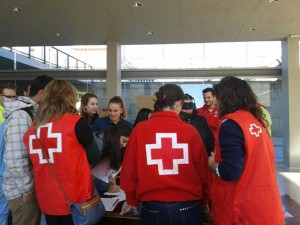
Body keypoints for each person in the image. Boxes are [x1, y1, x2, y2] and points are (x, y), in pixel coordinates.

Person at [120, 84, 209, 225]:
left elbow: (129, 171)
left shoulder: (140, 130)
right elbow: (203, 172)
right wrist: (205, 200)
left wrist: (131, 199)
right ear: (179, 103)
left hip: (152, 208)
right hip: (188, 207)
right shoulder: (190, 131)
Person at [23, 80, 103, 225]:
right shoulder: (76, 122)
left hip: (46, 198)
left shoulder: (32, 129)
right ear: (70, 98)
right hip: (75, 197)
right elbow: (95, 156)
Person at [208, 76, 284, 225]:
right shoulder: (257, 120)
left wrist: (213, 164)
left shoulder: (231, 124)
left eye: (216, 97)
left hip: (241, 209)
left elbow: (230, 171)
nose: (215, 103)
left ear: (225, 98)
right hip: (266, 206)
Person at [3, 75, 53, 225]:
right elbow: (15, 158)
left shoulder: (31, 113)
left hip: (28, 188)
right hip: (22, 192)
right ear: (42, 93)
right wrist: (27, 190)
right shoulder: (22, 116)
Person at [92, 125, 132, 193]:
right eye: (124, 141)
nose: (124, 145)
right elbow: (84, 173)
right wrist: (106, 187)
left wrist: (110, 178)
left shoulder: (113, 146)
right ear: (117, 136)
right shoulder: (98, 144)